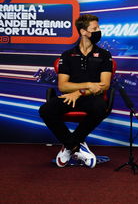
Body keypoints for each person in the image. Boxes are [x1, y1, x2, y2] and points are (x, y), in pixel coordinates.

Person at [39, 14, 113, 168]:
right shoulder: (67, 55)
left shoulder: (105, 55)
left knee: (100, 108)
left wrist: (79, 92)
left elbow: (104, 85)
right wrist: (87, 84)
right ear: (83, 31)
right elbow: (63, 86)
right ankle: (75, 146)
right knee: (46, 110)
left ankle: (69, 146)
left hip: (91, 98)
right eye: (95, 28)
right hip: (69, 97)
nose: (99, 31)